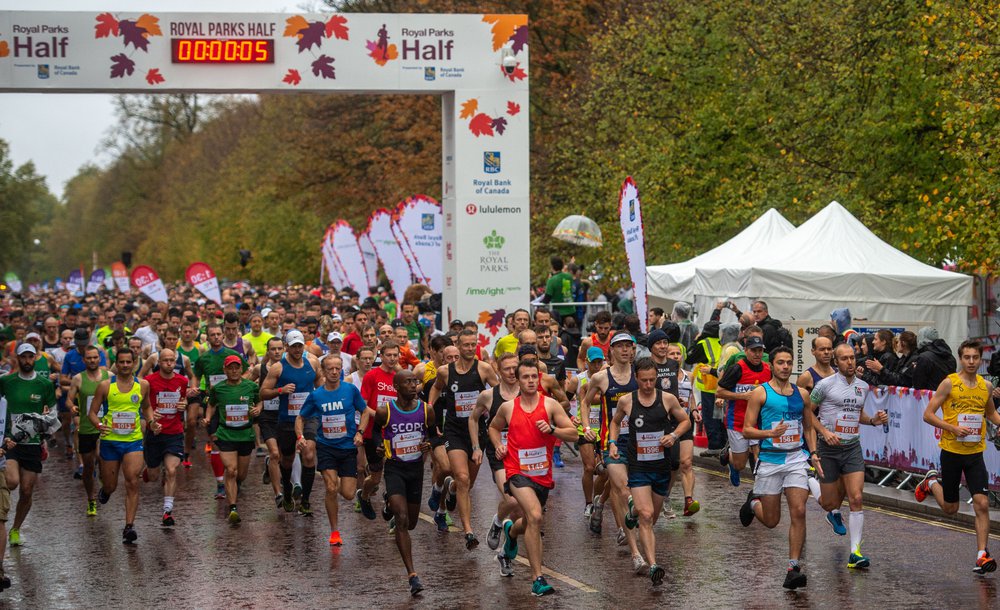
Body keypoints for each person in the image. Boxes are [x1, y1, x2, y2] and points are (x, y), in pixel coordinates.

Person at [490, 359, 578, 596]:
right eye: (525, 377)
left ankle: (510, 533)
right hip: (517, 471)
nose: (530, 381)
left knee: (529, 521)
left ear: (538, 379)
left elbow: (573, 433)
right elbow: (493, 427)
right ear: (518, 380)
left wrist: (553, 430)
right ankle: (537, 579)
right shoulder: (508, 407)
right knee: (536, 516)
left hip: (541, 474)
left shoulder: (550, 405)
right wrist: (499, 445)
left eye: (533, 377)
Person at [916, 339, 999, 574]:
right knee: (950, 508)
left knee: (982, 503)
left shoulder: (986, 386)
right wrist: (952, 428)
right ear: (960, 358)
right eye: (967, 357)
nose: (971, 362)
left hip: (975, 454)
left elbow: (991, 413)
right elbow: (928, 414)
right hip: (951, 452)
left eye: (975, 358)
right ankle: (931, 482)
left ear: (980, 359)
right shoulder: (949, 384)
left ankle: (982, 554)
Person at [737, 346, 817, 590]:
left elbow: (809, 426)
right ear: (771, 365)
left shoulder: (802, 394)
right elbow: (747, 429)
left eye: (789, 362)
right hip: (770, 460)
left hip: (795, 458)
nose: (785, 367)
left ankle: (793, 568)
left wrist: (813, 453)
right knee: (772, 521)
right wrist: (769, 433)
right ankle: (753, 504)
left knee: (799, 511)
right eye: (780, 362)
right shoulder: (760, 393)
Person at [807, 343, 887, 569]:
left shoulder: (863, 386)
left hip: (852, 448)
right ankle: (809, 480)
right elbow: (807, 412)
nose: (850, 362)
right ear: (836, 361)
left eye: (852, 358)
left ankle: (855, 553)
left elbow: (856, 412)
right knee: (829, 503)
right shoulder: (824, 385)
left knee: (857, 498)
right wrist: (823, 431)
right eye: (844, 359)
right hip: (828, 450)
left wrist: (872, 420)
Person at [610, 357, 689, 585]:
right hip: (639, 467)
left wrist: (674, 435)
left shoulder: (667, 399)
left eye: (652, 380)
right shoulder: (627, 401)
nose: (647, 385)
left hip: (660, 467)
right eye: (644, 380)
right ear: (636, 378)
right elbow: (615, 422)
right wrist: (613, 443)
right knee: (646, 516)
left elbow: (685, 422)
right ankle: (653, 564)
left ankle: (631, 514)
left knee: (650, 517)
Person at [428, 329, 500, 549]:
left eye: (473, 345)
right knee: (461, 475)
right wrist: (430, 408)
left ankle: (450, 490)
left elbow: (499, 393)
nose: (470, 348)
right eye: (466, 345)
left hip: (478, 432)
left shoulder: (484, 369)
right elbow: (436, 388)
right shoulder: (445, 371)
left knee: (465, 484)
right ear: (457, 345)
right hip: (454, 431)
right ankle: (468, 531)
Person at [579, 333, 645, 573]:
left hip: (640, 441)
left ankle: (600, 503)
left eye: (630, 346)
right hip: (612, 440)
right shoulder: (601, 377)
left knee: (632, 490)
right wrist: (587, 428)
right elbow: (585, 402)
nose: (626, 351)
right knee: (621, 487)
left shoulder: (641, 375)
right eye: (621, 347)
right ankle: (625, 535)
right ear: (612, 351)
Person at [373, 369, 435, 596]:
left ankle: (389, 503)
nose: (413, 385)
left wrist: (429, 443)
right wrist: (379, 446)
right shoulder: (385, 411)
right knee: (401, 519)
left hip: (415, 470)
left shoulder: (426, 410)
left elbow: (434, 435)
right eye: (408, 382)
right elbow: (375, 433)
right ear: (396, 387)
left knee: (411, 524)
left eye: (415, 382)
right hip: (395, 469)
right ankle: (412, 575)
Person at [297, 355, 367, 545]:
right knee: (330, 487)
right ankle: (335, 532)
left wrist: (360, 432)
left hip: (347, 447)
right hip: (326, 447)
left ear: (342, 371)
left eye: (338, 369)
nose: (335, 372)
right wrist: (300, 437)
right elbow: (300, 418)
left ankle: (362, 493)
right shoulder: (316, 395)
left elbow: (365, 410)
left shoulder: (350, 390)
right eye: (331, 369)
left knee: (348, 494)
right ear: (323, 371)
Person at [89, 347, 150, 544]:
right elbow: (92, 412)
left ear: (134, 363)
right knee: (111, 485)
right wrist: (98, 425)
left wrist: (152, 421)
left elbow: (147, 406)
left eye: (128, 362)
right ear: (117, 363)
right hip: (110, 442)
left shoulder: (143, 385)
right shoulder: (105, 386)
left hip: (133, 441)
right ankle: (105, 491)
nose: (125, 366)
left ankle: (129, 526)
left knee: (132, 480)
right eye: (121, 362)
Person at [469, 352, 521, 572]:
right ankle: (498, 520)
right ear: (498, 371)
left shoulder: (528, 393)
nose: (511, 372)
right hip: (499, 455)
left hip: (526, 456)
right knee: (512, 499)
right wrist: (476, 446)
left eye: (514, 368)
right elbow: (473, 419)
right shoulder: (488, 395)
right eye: (507, 368)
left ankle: (505, 554)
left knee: (521, 516)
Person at [0, 344, 56, 547]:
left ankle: (15, 528)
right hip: (10, 441)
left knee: (26, 490)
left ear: (35, 358)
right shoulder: (6, 381)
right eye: (23, 356)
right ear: (17, 358)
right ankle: (2, 517)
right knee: (12, 481)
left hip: (32, 443)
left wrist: (46, 433)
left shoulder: (44, 384)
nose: (27, 360)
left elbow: (51, 414)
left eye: (30, 357)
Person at [260, 329, 321, 514]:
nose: (297, 349)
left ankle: (306, 501)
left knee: (309, 454)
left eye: (299, 346)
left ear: (304, 346)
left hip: (308, 417)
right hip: (286, 419)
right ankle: (287, 490)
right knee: (287, 460)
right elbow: (263, 392)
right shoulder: (278, 367)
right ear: (287, 347)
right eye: (293, 346)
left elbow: (319, 382)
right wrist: (281, 390)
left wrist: (320, 397)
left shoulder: (312, 363)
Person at [203, 355, 261, 524]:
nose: (234, 371)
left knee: (241, 475)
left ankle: (236, 487)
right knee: (231, 470)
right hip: (226, 433)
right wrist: (207, 418)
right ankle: (233, 508)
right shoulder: (218, 388)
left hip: (245, 434)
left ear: (241, 369)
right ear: (225, 370)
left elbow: (259, 402)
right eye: (230, 368)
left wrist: (257, 409)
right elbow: (211, 404)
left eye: (237, 367)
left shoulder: (251, 386)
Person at [141, 348, 189, 526]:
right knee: (153, 477)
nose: (169, 363)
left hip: (174, 432)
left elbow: (183, 401)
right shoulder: (149, 381)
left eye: (172, 360)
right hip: (155, 433)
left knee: (171, 470)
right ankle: (150, 469)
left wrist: (184, 405)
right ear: (159, 363)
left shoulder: (182, 381)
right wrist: (151, 418)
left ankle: (167, 511)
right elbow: (142, 405)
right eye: (165, 360)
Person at [716, 335, 771, 486]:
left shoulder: (768, 369)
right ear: (746, 350)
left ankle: (762, 487)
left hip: (758, 421)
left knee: (758, 454)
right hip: (737, 421)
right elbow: (719, 392)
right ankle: (729, 456)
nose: (757, 354)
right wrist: (742, 396)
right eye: (753, 350)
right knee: (740, 464)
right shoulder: (737, 369)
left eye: (760, 350)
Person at [356, 341, 401, 519]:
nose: (392, 359)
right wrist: (383, 416)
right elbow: (363, 406)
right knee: (375, 477)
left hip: (395, 431)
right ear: (380, 356)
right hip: (373, 431)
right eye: (388, 355)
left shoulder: (400, 376)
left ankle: (391, 503)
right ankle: (364, 495)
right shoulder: (372, 376)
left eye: (395, 355)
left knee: (394, 471)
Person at [65, 345, 108, 515]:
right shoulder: (78, 379)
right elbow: (69, 400)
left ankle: (106, 486)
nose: (92, 360)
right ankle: (91, 499)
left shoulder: (108, 376)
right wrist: (72, 407)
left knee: (101, 457)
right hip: (85, 428)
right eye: (88, 358)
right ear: (84, 360)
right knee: (89, 467)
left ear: (99, 358)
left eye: (95, 357)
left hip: (104, 426)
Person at [567, 347, 604, 519]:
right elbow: (563, 402)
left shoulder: (606, 378)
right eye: (594, 362)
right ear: (586, 362)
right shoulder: (578, 380)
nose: (597, 365)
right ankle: (589, 503)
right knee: (589, 468)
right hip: (585, 427)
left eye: (600, 362)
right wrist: (570, 418)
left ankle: (599, 499)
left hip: (604, 428)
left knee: (603, 470)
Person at [664, 343, 700, 516]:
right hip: (668, 424)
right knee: (673, 465)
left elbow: (691, 396)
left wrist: (694, 410)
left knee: (686, 463)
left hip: (685, 423)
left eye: (678, 353)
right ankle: (665, 496)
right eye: (672, 353)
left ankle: (688, 501)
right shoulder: (662, 377)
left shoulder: (690, 375)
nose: (676, 356)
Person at [255, 337, 285, 507]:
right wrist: (258, 404)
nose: (277, 352)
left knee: (283, 455)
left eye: (280, 348)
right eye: (273, 349)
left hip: (285, 415)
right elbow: (252, 386)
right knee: (274, 453)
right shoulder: (260, 369)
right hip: (267, 417)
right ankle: (278, 493)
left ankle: (269, 465)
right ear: (268, 351)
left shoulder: (289, 369)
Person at [542, 256, 576, 324]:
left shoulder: (552, 280)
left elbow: (547, 298)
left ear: (552, 266)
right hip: (571, 310)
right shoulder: (569, 276)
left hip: (558, 313)